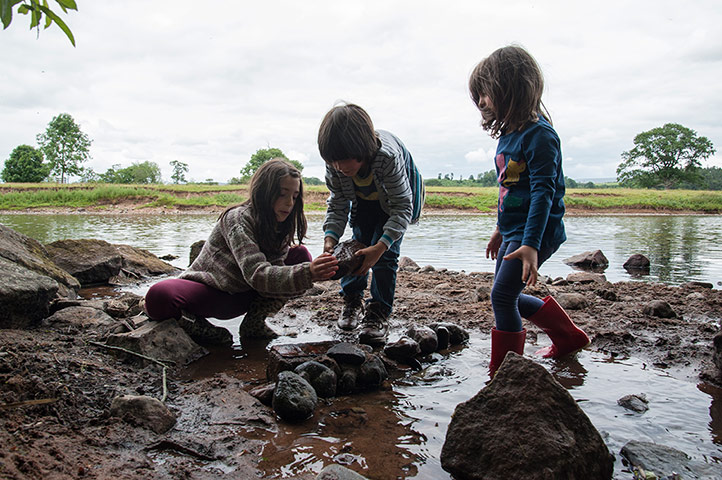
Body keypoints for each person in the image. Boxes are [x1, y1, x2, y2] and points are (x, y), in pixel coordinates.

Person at [468, 45, 590, 376]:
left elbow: (542, 192)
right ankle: (567, 336)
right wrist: (499, 229)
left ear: (512, 88)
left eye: (485, 93)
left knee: (503, 296)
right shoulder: (508, 135)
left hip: (537, 232)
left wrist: (532, 244)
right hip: (514, 231)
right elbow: (508, 188)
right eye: (477, 95)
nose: (481, 102)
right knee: (504, 295)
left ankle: (504, 373)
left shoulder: (540, 135)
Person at [143, 158, 338, 345]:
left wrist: (322, 269)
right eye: (281, 194)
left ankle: (255, 322)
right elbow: (256, 273)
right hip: (214, 292)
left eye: (294, 196)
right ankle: (197, 327)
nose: (289, 203)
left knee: (300, 254)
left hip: (247, 295)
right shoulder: (237, 219)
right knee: (158, 295)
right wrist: (309, 272)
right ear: (263, 192)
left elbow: (271, 278)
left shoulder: (281, 226)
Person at [318, 102, 425, 346]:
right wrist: (330, 239)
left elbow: (402, 208)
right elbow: (338, 203)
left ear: (362, 151)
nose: (338, 168)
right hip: (363, 201)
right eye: (332, 161)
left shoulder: (388, 158)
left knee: (385, 257)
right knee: (354, 248)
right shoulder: (336, 164)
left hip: (396, 201)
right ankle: (352, 300)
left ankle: (378, 311)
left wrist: (381, 246)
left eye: (343, 161)